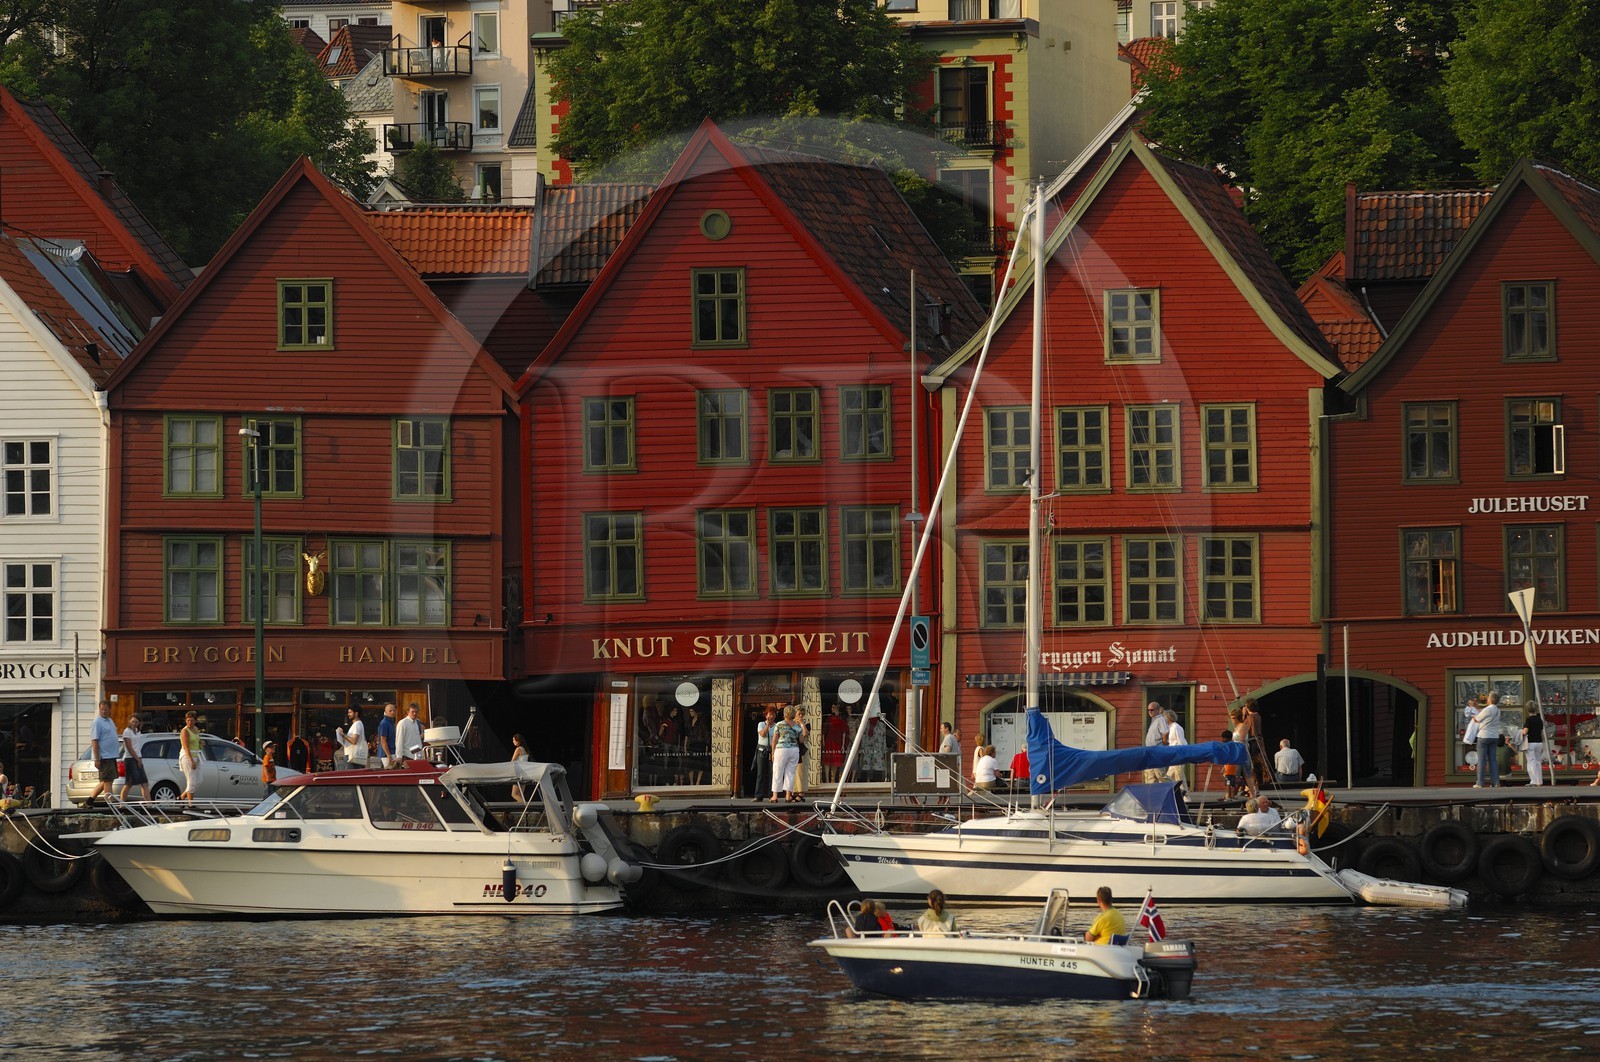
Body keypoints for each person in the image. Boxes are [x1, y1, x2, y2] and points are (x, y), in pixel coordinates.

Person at [88, 701, 121, 805]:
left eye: (105, 709)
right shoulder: (97, 722)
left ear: (109, 709)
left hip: (111, 755)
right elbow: (95, 740)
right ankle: (110, 803)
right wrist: (97, 758)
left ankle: (89, 801)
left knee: (106, 780)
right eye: (101, 709)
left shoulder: (110, 721)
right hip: (104, 756)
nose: (103, 711)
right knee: (108, 780)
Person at [771, 705, 802, 802]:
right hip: (794, 749)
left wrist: (773, 752)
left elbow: (774, 740)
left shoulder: (779, 724)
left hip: (782, 749)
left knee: (777, 771)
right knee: (790, 773)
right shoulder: (797, 726)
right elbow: (801, 740)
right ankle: (788, 796)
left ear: (785, 714)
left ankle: (775, 796)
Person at [1473, 693, 1502, 787]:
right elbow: (1485, 714)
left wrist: (1473, 715)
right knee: (1493, 760)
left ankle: (1480, 783)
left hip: (1484, 735)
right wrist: (1477, 708)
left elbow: (1477, 719)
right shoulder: (1498, 710)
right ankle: (1495, 782)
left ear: (1490, 699)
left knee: (1482, 760)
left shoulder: (1487, 709)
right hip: (1494, 736)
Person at [120, 713, 150, 802]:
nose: (134, 724)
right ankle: (122, 804)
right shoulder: (127, 732)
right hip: (130, 759)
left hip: (138, 757)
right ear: (129, 721)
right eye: (133, 721)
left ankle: (149, 804)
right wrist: (137, 759)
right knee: (129, 783)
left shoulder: (137, 731)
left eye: (136, 722)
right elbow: (129, 748)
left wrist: (139, 759)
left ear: (139, 723)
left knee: (144, 783)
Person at [751, 706, 776, 800]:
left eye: (773, 714)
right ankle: (758, 795)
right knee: (761, 773)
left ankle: (771, 795)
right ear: (766, 715)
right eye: (770, 714)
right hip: (762, 751)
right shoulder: (761, 724)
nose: (771, 716)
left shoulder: (777, 726)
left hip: (772, 751)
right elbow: (762, 734)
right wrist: (767, 725)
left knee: (772, 773)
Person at [178, 710, 203, 802]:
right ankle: (190, 803)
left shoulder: (196, 729)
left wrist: (201, 743)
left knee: (198, 781)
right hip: (187, 756)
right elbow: (186, 747)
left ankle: (181, 797)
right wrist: (191, 761)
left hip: (197, 755)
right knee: (191, 781)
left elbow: (197, 741)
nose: (189, 722)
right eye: (188, 720)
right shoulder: (185, 731)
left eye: (191, 720)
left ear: (195, 720)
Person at [1143, 702, 1170, 783]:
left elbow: (1165, 732)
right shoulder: (1154, 720)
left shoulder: (1160, 719)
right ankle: (1152, 791)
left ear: (1158, 710)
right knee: (1150, 776)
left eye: (1152, 710)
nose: (1150, 712)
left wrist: (1163, 744)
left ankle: (1175, 788)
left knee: (1161, 775)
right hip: (1150, 751)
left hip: (1156, 751)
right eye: (1148, 710)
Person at [821, 703, 848, 784]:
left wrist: (843, 744)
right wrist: (823, 742)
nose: (831, 709)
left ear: (837, 708)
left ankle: (832, 779)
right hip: (829, 741)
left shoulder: (841, 719)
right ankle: (827, 779)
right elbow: (824, 731)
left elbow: (844, 732)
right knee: (827, 760)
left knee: (835, 760)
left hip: (837, 742)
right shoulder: (829, 718)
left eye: (833, 707)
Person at [1522, 709, 1547, 786]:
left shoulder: (1529, 720)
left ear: (1528, 711)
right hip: (1539, 742)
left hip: (1530, 743)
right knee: (1538, 761)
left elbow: (1525, 731)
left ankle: (1534, 780)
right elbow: (1541, 732)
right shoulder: (1540, 720)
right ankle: (1539, 781)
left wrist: (1520, 732)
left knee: (1531, 761)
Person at [1164, 710, 1187, 784]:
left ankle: (1184, 792)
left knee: (1179, 777)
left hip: (1178, 755)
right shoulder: (1169, 728)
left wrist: (1181, 756)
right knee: (1168, 776)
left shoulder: (1176, 727)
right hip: (1173, 756)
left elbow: (1181, 742)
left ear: (1169, 718)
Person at [1221, 729, 1243, 799]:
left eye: (1224, 738)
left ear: (1228, 738)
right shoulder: (1234, 746)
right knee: (1232, 783)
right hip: (1232, 768)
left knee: (1229, 783)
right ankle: (1232, 796)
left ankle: (1229, 796)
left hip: (1229, 769)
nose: (1222, 740)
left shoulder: (1228, 746)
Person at [377, 703, 398, 768]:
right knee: (390, 771)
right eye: (390, 711)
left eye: (394, 710)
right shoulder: (384, 723)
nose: (392, 712)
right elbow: (383, 740)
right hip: (386, 754)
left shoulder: (390, 722)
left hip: (391, 752)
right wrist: (389, 755)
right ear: (385, 712)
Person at [510, 733, 529, 802]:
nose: (513, 742)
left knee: (514, 794)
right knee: (520, 795)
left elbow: (512, 761)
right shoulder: (525, 750)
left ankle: (527, 806)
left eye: (514, 740)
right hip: (525, 773)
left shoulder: (518, 749)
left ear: (518, 741)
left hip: (519, 773)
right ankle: (524, 808)